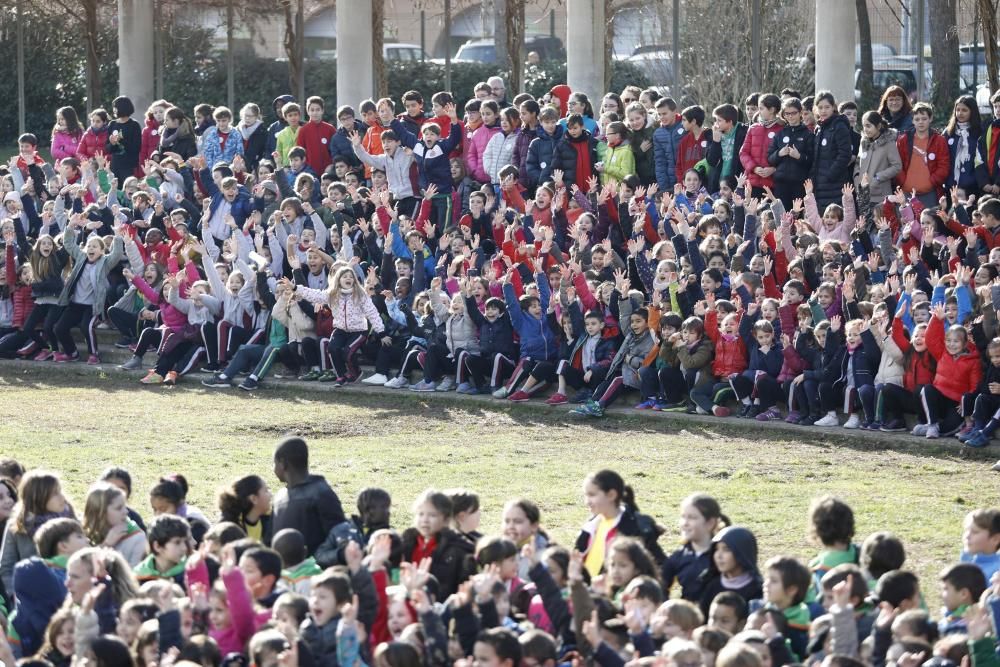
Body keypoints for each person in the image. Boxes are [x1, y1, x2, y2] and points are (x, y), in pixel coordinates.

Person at [270, 436, 346, 556]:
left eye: (274, 463)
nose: (273, 469)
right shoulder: (279, 497)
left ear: (283, 463)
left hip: (314, 571)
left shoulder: (321, 493)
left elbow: (339, 536)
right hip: (284, 572)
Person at [895, 102, 950, 208]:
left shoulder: (939, 140)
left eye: (924, 119)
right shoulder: (903, 139)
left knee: (929, 224)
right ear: (912, 120)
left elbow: (944, 166)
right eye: (917, 119)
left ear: (930, 119)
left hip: (930, 193)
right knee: (907, 223)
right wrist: (903, 182)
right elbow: (897, 164)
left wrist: (931, 182)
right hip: (906, 193)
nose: (921, 122)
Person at [810, 91, 854, 210]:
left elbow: (845, 155)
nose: (823, 111)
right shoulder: (818, 128)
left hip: (835, 184)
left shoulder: (839, 126)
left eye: (827, 107)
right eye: (820, 107)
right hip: (819, 185)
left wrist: (830, 174)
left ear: (833, 107)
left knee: (835, 220)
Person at [768, 97, 814, 208]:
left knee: (796, 218)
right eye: (787, 113)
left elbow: (812, 160)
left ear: (800, 113)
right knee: (781, 218)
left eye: (793, 113)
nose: (790, 116)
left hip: (799, 184)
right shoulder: (780, 134)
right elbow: (770, 158)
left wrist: (799, 156)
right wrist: (779, 153)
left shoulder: (808, 134)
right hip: (781, 183)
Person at [854, 110, 901, 205]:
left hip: (881, 197)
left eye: (868, 126)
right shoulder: (863, 142)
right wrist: (857, 177)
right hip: (863, 195)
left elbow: (897, 166)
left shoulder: (889, 143)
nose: (865, 129)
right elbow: (858, 163)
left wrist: (878, 177)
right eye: (864, 126)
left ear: (878, 126)